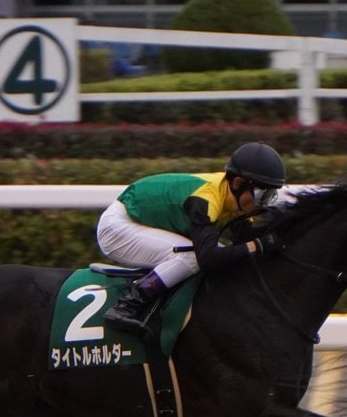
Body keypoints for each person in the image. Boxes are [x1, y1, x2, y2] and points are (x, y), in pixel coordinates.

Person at [97, 141, 287, 336]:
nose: (264, 204)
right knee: (192, 257)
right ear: (238, 183)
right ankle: (127, 305)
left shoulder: (234, 197)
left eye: (271, 195)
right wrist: (257, 245)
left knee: (224, 254)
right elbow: (208, 259)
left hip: (141, 219)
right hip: (118, 227)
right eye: (261, 194)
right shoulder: (206, 200)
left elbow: (236, 249)